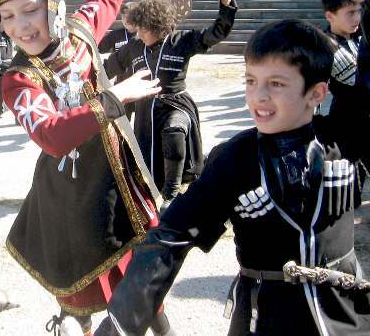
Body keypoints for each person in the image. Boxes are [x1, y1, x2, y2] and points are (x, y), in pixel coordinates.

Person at [93, 17, 370, 336]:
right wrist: (120, 324)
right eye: (251, 80)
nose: (258, 96)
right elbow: (169, 237)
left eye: (276, 84)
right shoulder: (234, 159)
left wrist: (352, 75)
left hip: (347, 317)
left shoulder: (344, 140)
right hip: (263, 321)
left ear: (317, 92)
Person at [0, 0, 175, 335]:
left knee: (142, 276)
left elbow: (106, 0)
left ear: (53, 5)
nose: (20, 26)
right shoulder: (19, 79)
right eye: (8, 16)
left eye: (30, 10)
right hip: (69, 197)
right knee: (80, 290)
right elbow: (51, 135)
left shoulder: (79, 34)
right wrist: (114, 98)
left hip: (119, 181)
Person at [104, 0, 236, 206]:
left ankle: (171, 192)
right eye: (138, 28)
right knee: (146, 161)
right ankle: (151, 190)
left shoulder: (181, 41)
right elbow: (108, 67)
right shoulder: (134, 47)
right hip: (146, 111)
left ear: (157, 26)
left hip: (176, 105)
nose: (139, 33)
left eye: (144, 29)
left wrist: (225, 6)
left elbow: (216, 33)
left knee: (174, 130)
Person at [321, 0, 368, 205]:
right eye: (350, 12)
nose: (356, 17)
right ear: (330, 16)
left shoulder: (359, 37)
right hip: (347, 126)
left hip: (363, 120)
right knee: (348, 199)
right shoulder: (327, 45)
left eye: (359, 11)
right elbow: (355, 79)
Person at [98, 2, 137, 119]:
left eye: (129, 20)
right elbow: (98, 46)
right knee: (122, 120)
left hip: (141, 83)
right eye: (124, 20)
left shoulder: (145, 35)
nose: (126, 23)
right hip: (122, 84)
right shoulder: (117, 35)